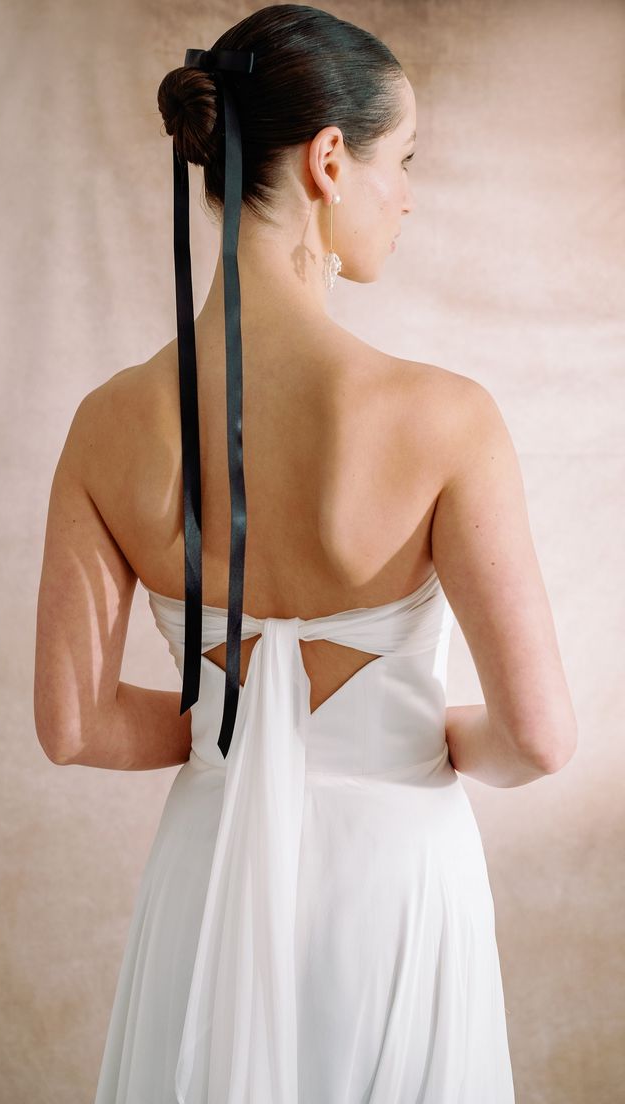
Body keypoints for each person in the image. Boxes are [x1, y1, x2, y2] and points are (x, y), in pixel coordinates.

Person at [33, 5, 578, 1101]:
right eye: (402, 159)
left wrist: (248, 730)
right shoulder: (444, 419)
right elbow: (538, 738)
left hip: (209, 878)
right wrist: (419, 731)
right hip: (393, 885)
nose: (408, 195)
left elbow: (72, 724)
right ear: (331, 160)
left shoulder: (106, 425)